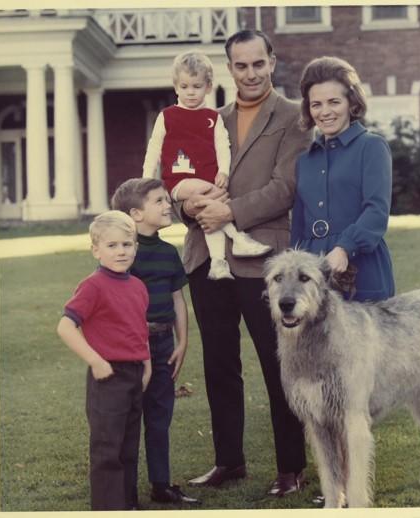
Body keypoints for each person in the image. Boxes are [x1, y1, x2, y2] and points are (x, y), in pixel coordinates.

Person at [181, 29, 312, 496]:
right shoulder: (208, 119)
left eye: (259, 63)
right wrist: (188, 208)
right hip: (207, 258)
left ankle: (290, 466)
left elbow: (285, 187)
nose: (251, 73)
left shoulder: (295, 117)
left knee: (279, 364)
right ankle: (229, 462)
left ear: (272, 62)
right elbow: (179, 178)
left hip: (264, 263)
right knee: (218, 365)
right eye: (241, 65)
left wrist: (230, 210)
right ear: (229, 68)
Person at [142, 50, 271, 281]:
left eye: (197, 86)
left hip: (207, 181)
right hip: (178, 181)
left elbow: (223, 146)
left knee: (210, 211)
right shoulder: (168, 116)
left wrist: (222, 170)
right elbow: (154, 148)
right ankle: (238, 238)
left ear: (208, 87)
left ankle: (218, 263)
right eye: (185, 86)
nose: (190, 92)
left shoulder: (212, 118)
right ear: (176, 87)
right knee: (211, 198)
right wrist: (146, 178)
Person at [111, 177, 199, 505]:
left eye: (167, 199)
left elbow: (177, 299)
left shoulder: (168, 251)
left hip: (164, 346)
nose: (168, 206)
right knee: (130, 418)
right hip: (132, 349)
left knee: (160, 418)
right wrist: (135, 345)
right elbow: (115, 302)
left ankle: (161, 485)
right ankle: (126, 492)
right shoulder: (122, 253)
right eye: (159, 201)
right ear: (135, 213)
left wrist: (182, 341)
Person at [57, 210, 151, 511]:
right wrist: (96, 362)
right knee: (107, 449)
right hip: (107, 376)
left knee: (127, 446)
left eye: (127, 244)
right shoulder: (93, 286)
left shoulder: (137, 286)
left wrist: (146, 363)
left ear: (136, 246)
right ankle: (109, 509)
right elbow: (65, 326)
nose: (121, 251)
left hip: (135, 374)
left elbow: (138, 328)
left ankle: (128, 504)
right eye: (112, 246)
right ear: (96, 249)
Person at [291, 56, 395, 302]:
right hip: (314, 275)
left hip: (362, 268)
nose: (324, 112)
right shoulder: (304, 161)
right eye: (316, 104)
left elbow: (377, 212)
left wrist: (344, 248)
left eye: (334, 102)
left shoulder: (372, 147)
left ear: (351, 102)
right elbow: (298, 225)